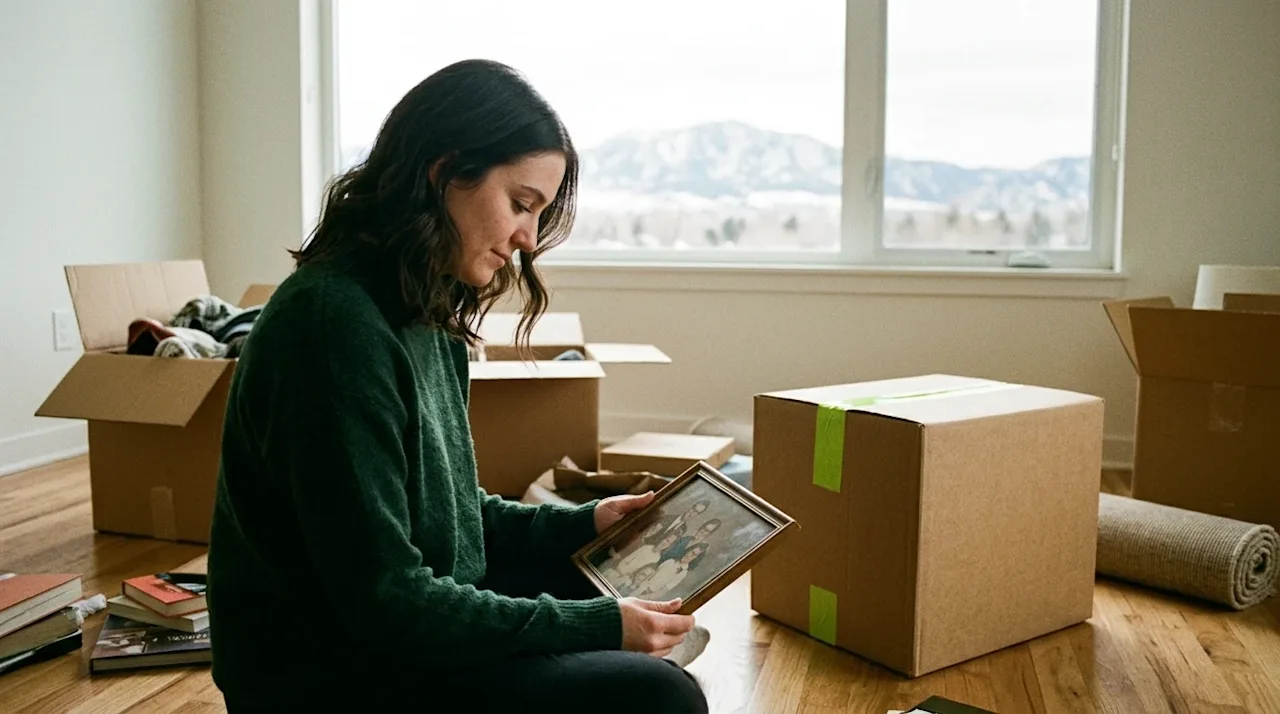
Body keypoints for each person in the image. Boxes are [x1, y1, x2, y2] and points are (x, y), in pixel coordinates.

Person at [205, 59, 708, 713]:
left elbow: (448, 517)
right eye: (521, 204)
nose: (528, 239)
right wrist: (600, 628)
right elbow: (389, 601)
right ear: (444, 172)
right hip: (330, 678)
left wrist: (585, 524)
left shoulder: (422, 307)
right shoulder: (333, 325)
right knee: (659, 695)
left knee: (604, 585)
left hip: (391, 634)